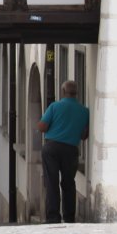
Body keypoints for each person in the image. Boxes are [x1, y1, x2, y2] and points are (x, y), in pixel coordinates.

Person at [38, 80, 90, 223]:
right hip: (70, 149)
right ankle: (69, 217)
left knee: (51, 183)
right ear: (76, 93)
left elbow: (42, 127)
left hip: (52, 148)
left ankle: (53, 216)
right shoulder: (85, 111)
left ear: (63, 92)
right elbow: (84, 135)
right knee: (68, 183)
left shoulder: (55, 106)